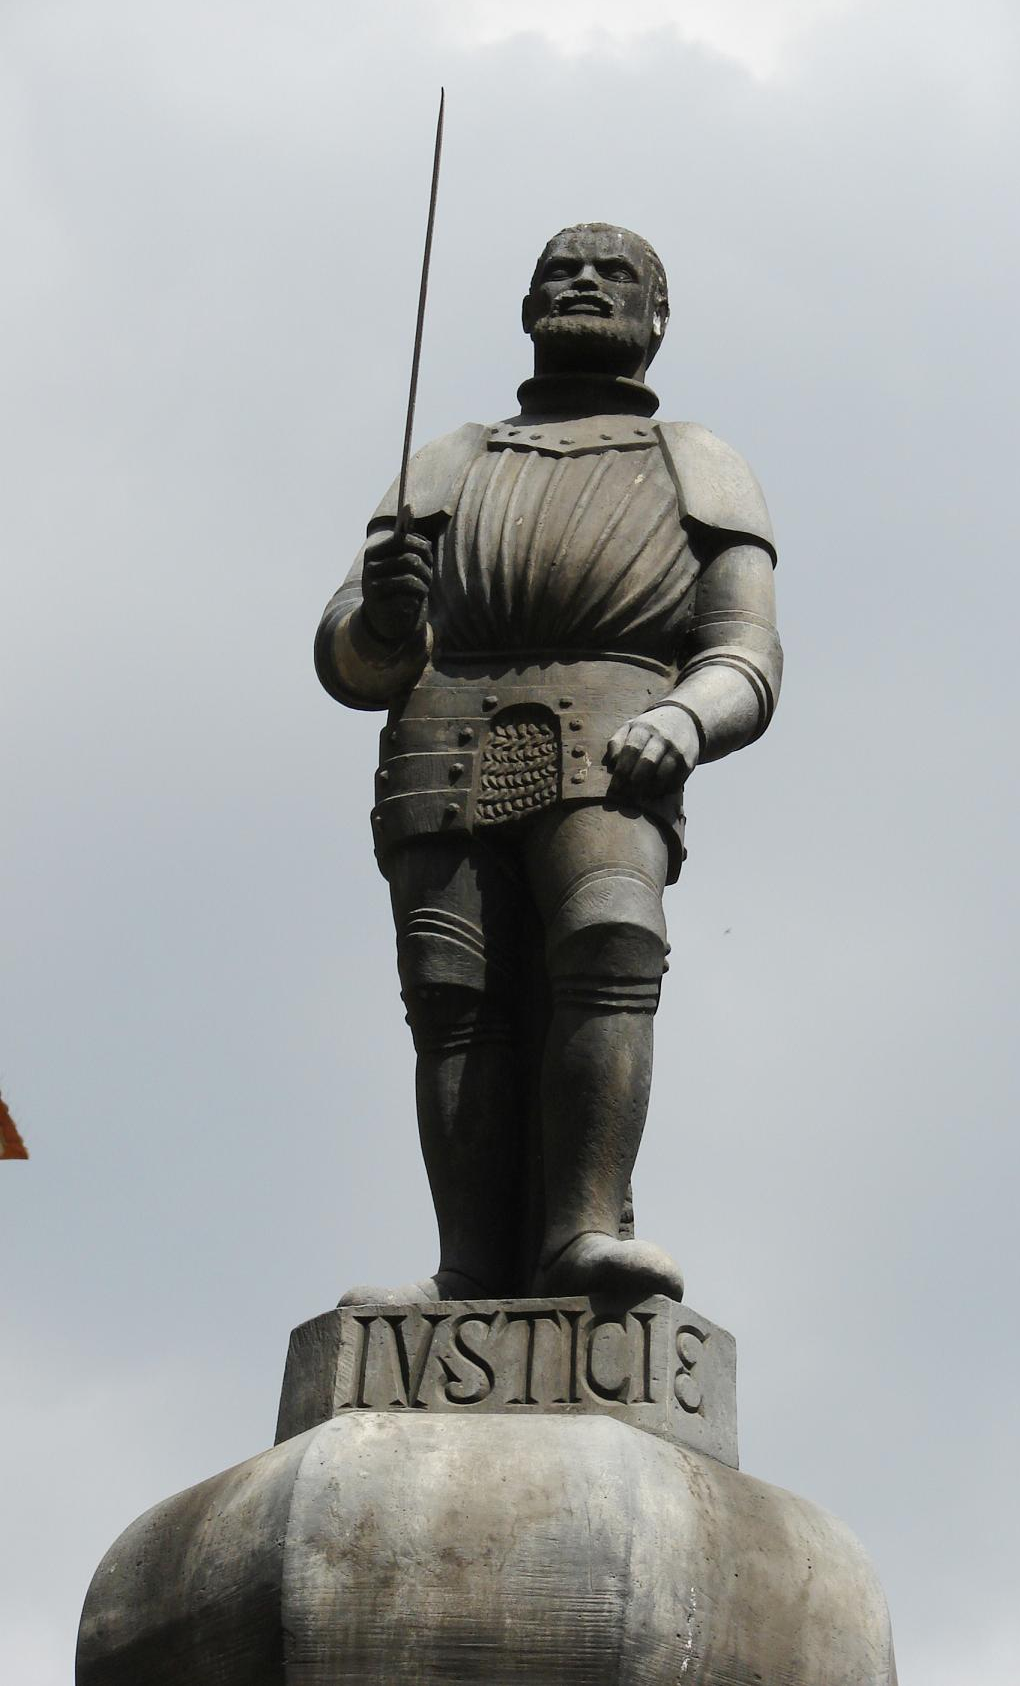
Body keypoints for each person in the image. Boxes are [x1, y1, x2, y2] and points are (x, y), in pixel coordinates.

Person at [316, 223, 781, 1304]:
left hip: (615, 735)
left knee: (611, 941)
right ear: (527, 307)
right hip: (443, 739)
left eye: (613, 273)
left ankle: (583, 1227)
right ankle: (468, 1265)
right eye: (558, 271)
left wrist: (689, 716)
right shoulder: (449, 460)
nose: (581, 283)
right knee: (453, 996)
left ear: (655, 316)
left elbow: (746, 652)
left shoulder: (700, 462)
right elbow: (350, 657)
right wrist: (385, 616)